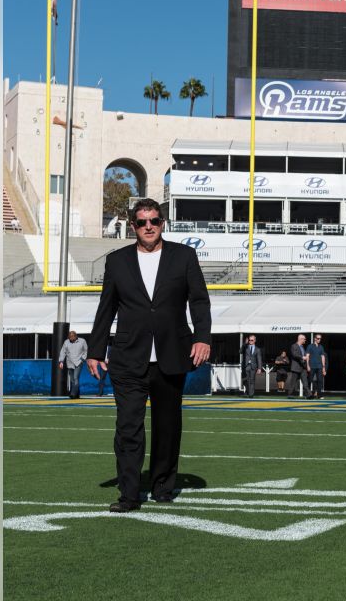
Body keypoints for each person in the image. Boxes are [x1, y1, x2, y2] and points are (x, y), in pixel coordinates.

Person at [85, 198, 211, 513]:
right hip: (128, 358)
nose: (149, 227)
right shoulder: (117, 261)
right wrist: (95, 351)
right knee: (128, 428)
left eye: (154, 220)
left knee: (168, 426)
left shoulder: (184, 256)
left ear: (162, 222)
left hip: (172, 354)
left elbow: (199, 301)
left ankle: (163, 487)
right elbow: (106, 308)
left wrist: (203, 338)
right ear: (133, 226)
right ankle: (129, 495)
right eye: (142, 222)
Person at [57, 330, 88, 399]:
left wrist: (82, 359)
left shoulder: (82, 341)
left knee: (75, 378)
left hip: (78, 362)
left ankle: (73, 394)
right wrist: (61, 361)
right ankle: (77, 394)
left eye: (72, 337)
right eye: (70, 337)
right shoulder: (66, 342)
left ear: (75, 336)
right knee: (72, 380)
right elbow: (63, 352)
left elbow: (86, 351)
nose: (71, 338)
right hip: (70, 363)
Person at [241, 334, 262, 398]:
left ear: (255, 340)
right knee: (246, 380)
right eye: (249, 340)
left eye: (252, 340)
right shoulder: (245, 347)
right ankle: (248, 391)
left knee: (252, 380)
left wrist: (259, 368)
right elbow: (240, 351)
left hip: (253, 366)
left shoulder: (257, 349)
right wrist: (245, 344)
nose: (250, 341)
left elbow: (259, 359)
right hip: (246, 366)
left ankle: (251, 394)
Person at [288, 334, 309, 399]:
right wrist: (302, 357)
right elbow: (294, 354)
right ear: (300, 339)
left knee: (305, 382)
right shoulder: (294, 346)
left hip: (303, 367)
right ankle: (290, 394)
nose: (305, 340)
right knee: (293, 382)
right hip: (296, 367)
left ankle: (309, 395)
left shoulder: (302, 347)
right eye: (304, 339)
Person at [307, 333, 326, 399]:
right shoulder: (310, 346)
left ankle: (319, 395)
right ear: (315, 338)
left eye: (320, 338)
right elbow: (307, 356)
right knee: (310, 380)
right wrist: (308, 365)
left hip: (319, 366)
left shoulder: (321, 347)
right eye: (318, 338)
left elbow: (323, 357)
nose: (319, 340)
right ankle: (308, 395)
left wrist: (323, 367)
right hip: (312, 366)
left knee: (320, 381)